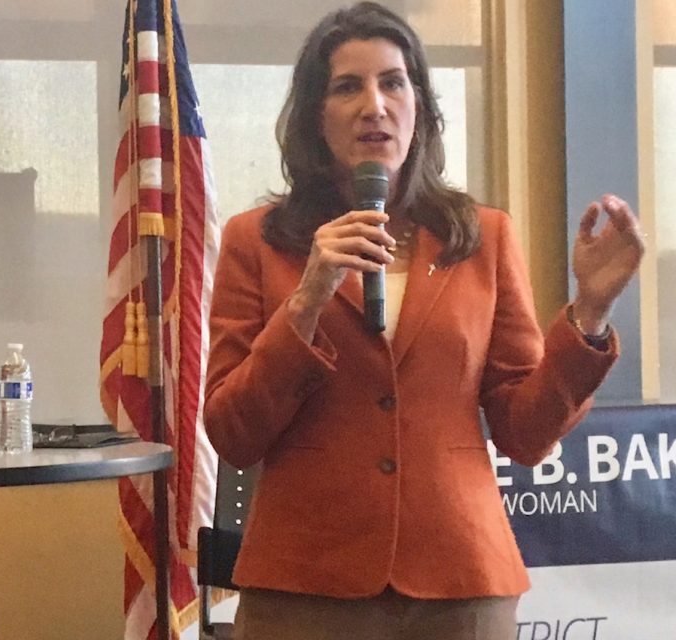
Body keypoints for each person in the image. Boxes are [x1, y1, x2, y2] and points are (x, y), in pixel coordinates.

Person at [202, 3, 644, 639]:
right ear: (314, 117)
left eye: (393, 82)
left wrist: (592, 312)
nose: (373, 104)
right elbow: (234, 434)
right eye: (347, 86)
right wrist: (306, 302)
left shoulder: (482, 237)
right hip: (306, 586)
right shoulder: (257, 242)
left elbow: (525, 432)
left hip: (459, 583)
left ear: (419, 107)